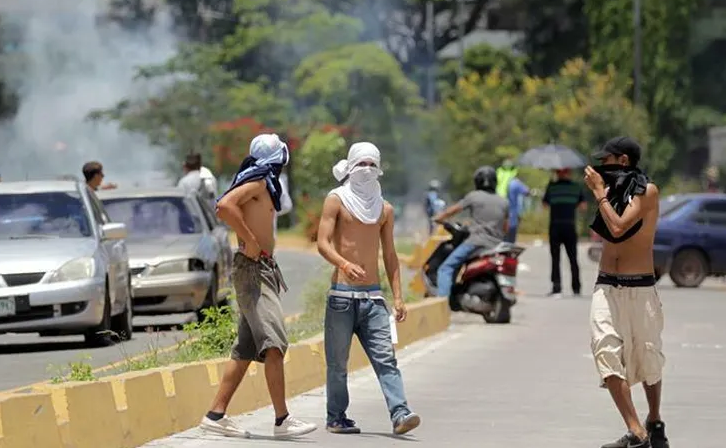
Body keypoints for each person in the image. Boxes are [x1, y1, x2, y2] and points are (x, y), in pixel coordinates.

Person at [200, 133, 316, 440]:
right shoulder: (259, 181)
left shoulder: (264, 182)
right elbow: (224, 206)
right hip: (254, 270)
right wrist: (250, 240)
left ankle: (215, 415)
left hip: (261, 268)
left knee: (245, 349)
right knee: (274, 343)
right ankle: (282, 420)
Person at [316, 142, 421, 436]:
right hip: (342, 296)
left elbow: (390, 255)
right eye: (361, 164)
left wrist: (398, 297)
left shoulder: (384, 209)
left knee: (386, 358)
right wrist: (344, 263)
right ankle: (336, 417)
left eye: (372, 164)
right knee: (338, 364)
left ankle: (400, 413)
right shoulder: (336, 200)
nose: (366, 170)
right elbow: (322, 242)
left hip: (373, 298)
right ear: (350, 166)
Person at [584, 136, 668, 448]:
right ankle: (637, 432)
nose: (600, 168)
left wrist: (599, 195)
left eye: (605, 161)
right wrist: (604, 194)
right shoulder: (612, 192)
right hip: (607, 285)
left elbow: (619, 228)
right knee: (605, 351)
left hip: (640, 288)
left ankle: (654, 421)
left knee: (648, 357)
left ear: (623, 161)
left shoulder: (648, 191)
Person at [431, 166, 509, 297]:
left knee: (446, 268)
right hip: (497, 245)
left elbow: (453, 210)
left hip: (476, 242)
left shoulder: (474, 196)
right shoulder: (504, 201)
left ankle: (442, 303)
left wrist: (438, 218)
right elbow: (506, 227)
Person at [542, 168, 587, 297]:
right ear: (569, 172)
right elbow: (583, 207)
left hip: (556, 226)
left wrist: (550, 189)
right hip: (569, 225)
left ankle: (557, 287)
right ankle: (576, 288)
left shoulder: (552, 187)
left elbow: (545, 205)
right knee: (572, 258)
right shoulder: (576, 187)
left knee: (556, 258)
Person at [505, 172, 529, 243]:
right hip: (512, 215)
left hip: (500, 212)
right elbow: (527, 192)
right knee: (510, 238)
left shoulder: (501, 181)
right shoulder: (516, 183)